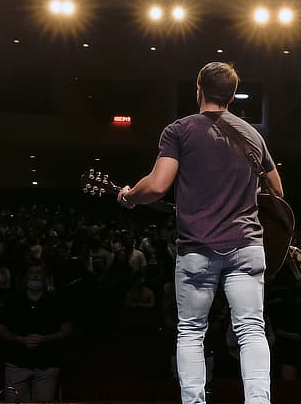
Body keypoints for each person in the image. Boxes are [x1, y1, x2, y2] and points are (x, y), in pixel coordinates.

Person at [119, 61, 284, 404]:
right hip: (247, 246)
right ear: (233, 95)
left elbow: (158, 185)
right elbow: (278, 192)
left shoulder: (179, 130)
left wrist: (130, 196)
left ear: (199, 90)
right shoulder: (252, 134)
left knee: (192, 331)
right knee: (251, 329)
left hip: (198, 248)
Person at [0, 264, 72, 402]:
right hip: (17, 362)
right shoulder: (13, 301)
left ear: (45, 277)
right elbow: (1, 329)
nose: (36, 276)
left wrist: (44, 339)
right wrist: (20, 340)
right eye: (32, 272)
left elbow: (66, 329)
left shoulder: (56, 302)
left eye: (39, 272)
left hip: (47, 363)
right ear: (25, 277)